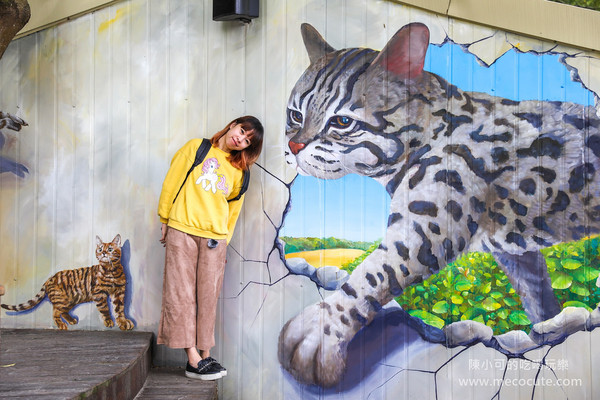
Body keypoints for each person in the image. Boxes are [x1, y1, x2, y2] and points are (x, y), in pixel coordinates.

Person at [157, 115, 264, 380]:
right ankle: (192, 357)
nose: (240, 138)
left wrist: (225, 241)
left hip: (215, 239)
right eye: (241, 130)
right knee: (180, 294)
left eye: (247, 140)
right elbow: (172, 182)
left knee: (208, 297)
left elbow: (233, 210)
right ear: (232, 125)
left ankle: (205, 355)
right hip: (183, 229)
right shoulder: (197, 148)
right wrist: (164, 218)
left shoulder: (241, 173)